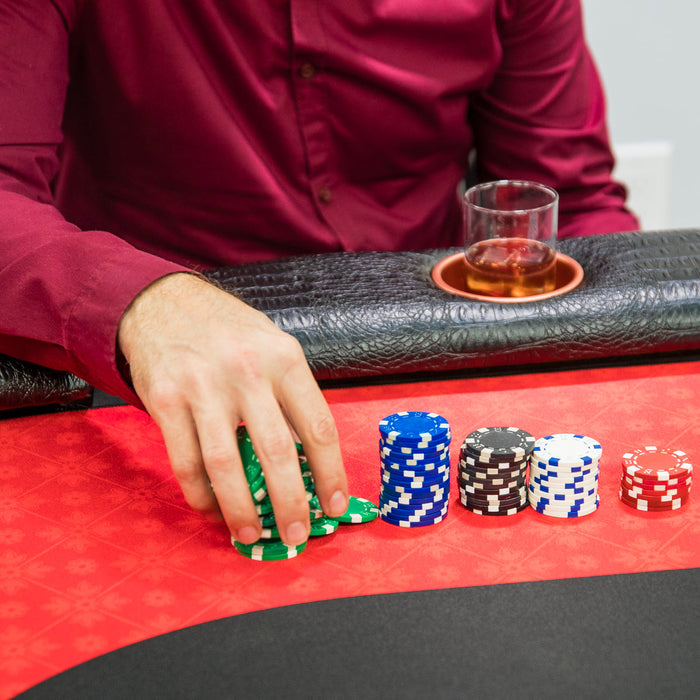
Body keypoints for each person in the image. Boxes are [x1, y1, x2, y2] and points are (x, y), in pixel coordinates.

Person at [0, 1, 639, 547]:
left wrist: (639, 377)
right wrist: (141, 302)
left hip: (433, 348)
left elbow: (570, 200)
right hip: (159, 377)